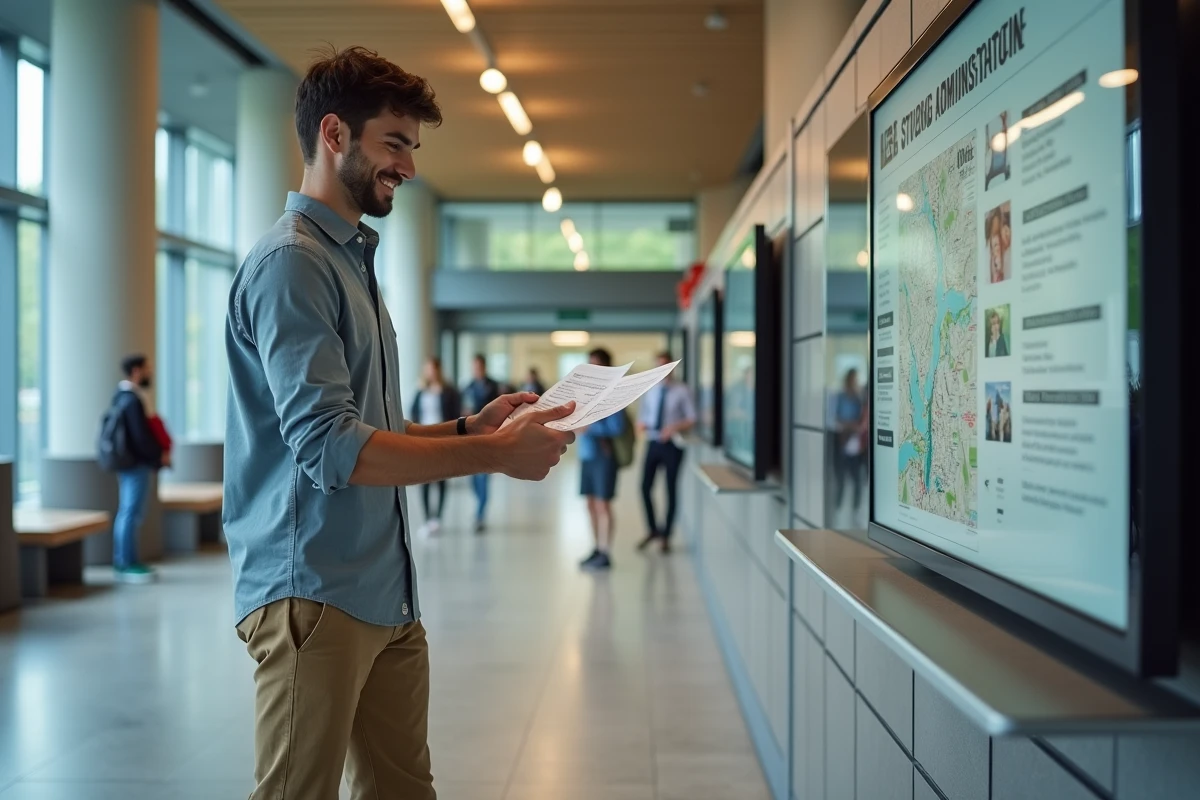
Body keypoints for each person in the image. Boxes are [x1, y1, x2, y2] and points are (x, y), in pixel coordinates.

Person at [222, 46, 575, 800]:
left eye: (412, 148)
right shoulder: (294, 264)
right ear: (334, 135)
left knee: (401, 789)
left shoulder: (351, 262)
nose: (408, 167)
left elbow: (368, 424)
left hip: (384, 591)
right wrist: (492, 457)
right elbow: (329, 448)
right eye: (395, 144)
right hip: (311, 591)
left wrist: (469, 428)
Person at [107, 354, 167, 584]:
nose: (150, 372)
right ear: (136, 371)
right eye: (147, 368)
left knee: (129, 511)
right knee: (130, 512)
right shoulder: (131, 399)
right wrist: (156, 456)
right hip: (135, 464)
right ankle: (126, 563)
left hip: (129, 464)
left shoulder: (121, 396)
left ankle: (126, 561)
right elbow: (141, 437)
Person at [636, 351, 695, 553]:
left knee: (670, 489)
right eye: (658, 366)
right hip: (653, 442)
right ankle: (653, 530)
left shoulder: (682, 390)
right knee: (645, 488)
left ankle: (666, 535)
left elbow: (691, 418)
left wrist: (673, 428)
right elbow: (643, 415)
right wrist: (642, 425)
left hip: (673, 445)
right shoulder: (650, 390)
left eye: (666, 366)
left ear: (672, 367)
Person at [578, 348, 627, 571]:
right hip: (587, 455)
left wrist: (590, 427)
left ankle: (606, 551)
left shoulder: (614, 392)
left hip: (604, 455)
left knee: (602, 504)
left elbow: (617, 427)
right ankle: (597, 547)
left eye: (596, 364)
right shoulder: (587, 392)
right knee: (590, 503)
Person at [410, 357, 460, 534]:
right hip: (423, 438)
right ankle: (427, 518)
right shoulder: (420, 391)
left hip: (442, 438)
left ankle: (437, 518)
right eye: (427, 369)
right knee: (423, 478)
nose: (429, 372)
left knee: (441, 479)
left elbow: (456, 415)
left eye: (432, 369)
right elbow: (413, 412)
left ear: (438, 370)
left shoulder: (449, 391)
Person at [462, 353, 501, 533]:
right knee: (473, 478)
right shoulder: (468, 387)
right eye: (474, 366)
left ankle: (479, 515)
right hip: (471, 438)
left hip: (488, 438)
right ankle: (479, 506)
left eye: (479, 366)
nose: (476, 369)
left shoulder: (493, 387)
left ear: (484, 367)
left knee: (483, 476)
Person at [832, 368, 865, 511]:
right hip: (842, 439)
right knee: (841, 479)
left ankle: (855, 510)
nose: (855, 382)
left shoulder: (859, 398)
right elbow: (837, 418)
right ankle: (837, 508)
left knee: (857, 479)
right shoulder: (840, 397)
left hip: (855, 442)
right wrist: (850, 425)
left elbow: (861, 419)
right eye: (853, 379)